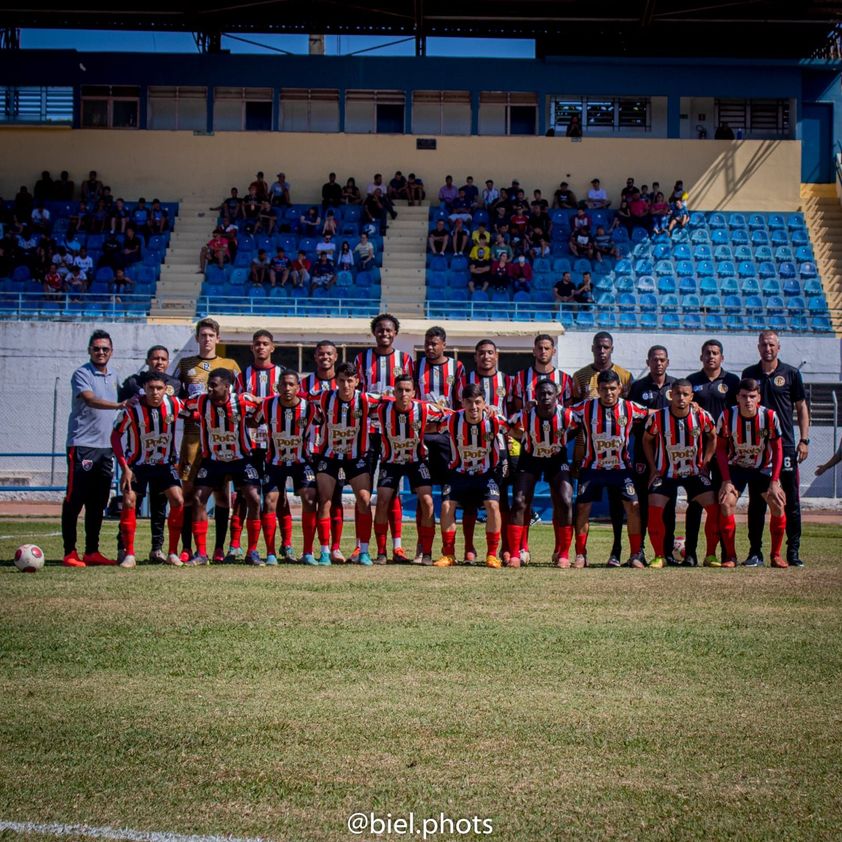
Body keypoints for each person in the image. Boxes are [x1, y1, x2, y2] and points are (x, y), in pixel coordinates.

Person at [741, 330, 810, 567]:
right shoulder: (749, 374)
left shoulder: (791, 373)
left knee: (789, 500)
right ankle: (755, 552)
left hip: (786, 446)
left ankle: (792, 552)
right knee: (757, 502)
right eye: (763, 345)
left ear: (778, 347)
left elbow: (801, 407)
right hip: (756, 448)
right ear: (758, 347)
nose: (767, 348)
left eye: (771, 345)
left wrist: (804, 439)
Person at [176, 319, 241, 563]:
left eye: (211, 335)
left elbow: (240, 397)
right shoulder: (185, 365)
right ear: (197, 338)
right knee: (189, 492)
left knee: (222, 493)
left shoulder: (230, 365)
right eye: (202, 335)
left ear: (218, 338)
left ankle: (219, 548)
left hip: (221, 436)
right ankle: (186, 547)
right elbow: (175, 396)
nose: (207, 339)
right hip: (193, 436)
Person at [571, 370, 649, 568]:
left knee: (633, 506)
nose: (609, 393)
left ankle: (635, 555)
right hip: (592, 468)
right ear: (598, 389)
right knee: (582, 508)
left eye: (613, 389)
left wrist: (689, 408)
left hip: (621, 469)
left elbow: (655, 413)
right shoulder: (586, 408)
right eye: (604, 389)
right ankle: (581, 555)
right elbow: (562, 413)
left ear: (620, 389)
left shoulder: (630, 408)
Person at [62, 330, 126, 567]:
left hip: (105, 448)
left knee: (98, 502)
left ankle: (92, 551)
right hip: (82, 446)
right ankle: (70, 552)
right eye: (96, 348)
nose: (101, 352)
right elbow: (89, 399)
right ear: (89, 350)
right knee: (74, 499)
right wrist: (119, 404)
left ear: (111, 351)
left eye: (105, 349)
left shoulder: (113, 376)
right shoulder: (82, 373)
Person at [186, 369, 262, 566]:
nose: (209, 388)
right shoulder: (201, 401)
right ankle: (201, 553)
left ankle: (252, 551)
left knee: (253, 498)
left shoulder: (242, 401)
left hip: (241, 459)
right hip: (213, 460)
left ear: (227, 387)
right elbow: (179, 408)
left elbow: (264, 406)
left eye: (214, 385)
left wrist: (255, 415)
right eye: (208, 385)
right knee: (197, 498)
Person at [112, 370, 187, 568]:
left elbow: (197, 414)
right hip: (138, 465)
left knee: (178, 499)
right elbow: (114, 436)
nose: (155, 392)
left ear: (165, 389)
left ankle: (171, 552)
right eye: (151, 388)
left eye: (159, 388)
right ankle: (129, 553)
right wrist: (124, 467)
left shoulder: (175, 404)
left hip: (164, 465)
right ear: (144, 388)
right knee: (129, 501)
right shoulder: (131, 409)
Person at [354, 314, 414, 562]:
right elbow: (356, 392)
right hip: (368, 431)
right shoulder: (361, 359)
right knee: (364, 492)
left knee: (392, 489)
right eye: (380, 330)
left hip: (395, 433)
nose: (384, 334)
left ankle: (397, 546)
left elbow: (409, 395)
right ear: (374, 332)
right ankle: (361, 545)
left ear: (395, 333)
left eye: (389, 330)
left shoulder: (406, 360)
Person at [642, 380, 720, 569]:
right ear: (671, 395)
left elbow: (713, 437)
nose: (681, 398)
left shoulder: (702, 416)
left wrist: (706, 462)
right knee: (654, 509)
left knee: (714, 508)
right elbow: (647, 440)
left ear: (692, 397)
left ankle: (709, 554)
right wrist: (653, 468)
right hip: (666, 473)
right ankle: (660, 556)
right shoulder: (659, 418)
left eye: (685, 394)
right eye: (677, 394)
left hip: (694, 473)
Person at [572, 332, 633, 567]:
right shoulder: (580, 376)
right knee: (583, 504)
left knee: (619, 505)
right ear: (592, 348)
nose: (602, 351)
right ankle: (580, 552)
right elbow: (573, 410)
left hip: (617, 451)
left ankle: (617, 551)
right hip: (587, 450)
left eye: (606, 347)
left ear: (612, 348)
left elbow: (629, 410)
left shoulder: (626, 375)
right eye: (598, 347)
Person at [314, 362, 382, 566]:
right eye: (342, 381)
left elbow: (395, 400)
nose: (345, 385)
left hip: (356, 456)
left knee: (363, 498)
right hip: (329, 456)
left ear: (357, 382)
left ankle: (364, 551)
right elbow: (296, 396)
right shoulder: (323, 397)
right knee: (325, 499)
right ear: (336, 381)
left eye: (350, 381)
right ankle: (325, 551)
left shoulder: (367, 399)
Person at [373, 376, 446, 565]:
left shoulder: (425, 408)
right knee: (382, 500)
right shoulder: (382, 409)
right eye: (400, 390)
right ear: (394, 392)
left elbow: (450, 416)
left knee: (427, 502)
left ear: (414, 393)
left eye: (407, 390)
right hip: (391, 461)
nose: (403, 394)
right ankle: (381, 552)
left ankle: (427, 553)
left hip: (417, 460)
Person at [227, 330, 285, 564]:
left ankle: (285, 545)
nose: (261, 347)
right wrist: (258, 402)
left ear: (273, 348)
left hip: (275, 444)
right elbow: (238, 403)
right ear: (252, 348)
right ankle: (235, 546)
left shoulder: (281, 374)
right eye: (257, 344)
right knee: (244, 494)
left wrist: (259, 402)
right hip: (249, 443)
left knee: (276, 496)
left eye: (265, 344)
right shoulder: (243, 376)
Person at [434, 384, 508, 568]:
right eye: (469, 402)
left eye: (477, 402)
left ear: (484, 403)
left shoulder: (495, 420)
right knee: (446, 505)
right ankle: (449, 554)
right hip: (459, 473)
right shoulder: (451, 420)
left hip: (486, 473)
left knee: (492, 505)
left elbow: (516, 430)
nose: (473, 407)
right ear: (462, 403)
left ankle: (492, 555)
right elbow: (429, 424)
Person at [717, 379, 788, 568]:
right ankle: (731, 556)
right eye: (744, 396)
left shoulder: (770, 416)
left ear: (759, 398)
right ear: (737, 398)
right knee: (725, 503)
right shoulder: (726, 416)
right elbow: (720, 450)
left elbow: (778, 450)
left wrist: (774, 481)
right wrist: (726, 480)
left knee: (778, 504)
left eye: (752, 396)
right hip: (736, 468)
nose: (748, 400)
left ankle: (776, 555)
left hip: (762, 468)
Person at [455, 340, 511, 565]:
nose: (486, 356)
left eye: (490, 353)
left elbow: (514, 408)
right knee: (469, 500)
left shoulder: (508, 380)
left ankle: (504, 550)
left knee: (501, 499)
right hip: (469, 445)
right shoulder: (463, 381)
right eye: (481, 353)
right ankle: (469, 549)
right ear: (475, 357)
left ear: (496, 355)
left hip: (500, 445)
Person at [684, 339, 740, 565]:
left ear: (722, 358)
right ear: (701, 357)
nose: (711, 356)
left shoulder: (732, 381)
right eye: (707, 353)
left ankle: (722, 552)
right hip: (699, 453)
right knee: (696, 503)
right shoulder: (692, 382)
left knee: (722, 503)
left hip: (726, 453)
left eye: (715, 353)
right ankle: (690, 552)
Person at [509, 380, 576, 567]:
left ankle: (562, 553)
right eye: (542, 394)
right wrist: (524, 438)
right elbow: (508, 426)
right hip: (530, 458)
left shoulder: (568, 415)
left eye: (549, 394)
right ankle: (518, 552)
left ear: (557, 396)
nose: (546, 397)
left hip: (556, 459)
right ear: (535, 396)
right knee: (520, 501)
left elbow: (580, 428)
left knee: (564, 499)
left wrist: (561, 441)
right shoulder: (525, 415)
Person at [257, 369, 320, 564]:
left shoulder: (309, 408)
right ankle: (270, 554)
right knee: (270, 501)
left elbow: (324, 423)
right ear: (277, 387)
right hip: (275, 462)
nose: (287, 388)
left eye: (291, 384)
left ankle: (308, 553)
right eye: (283, 384)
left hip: (301, 462)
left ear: (298, 387)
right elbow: (252, 422)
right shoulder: (267, 406)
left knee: (310, 499)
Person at [629, 345, 677, 561]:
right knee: (643, 505)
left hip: (670, 455)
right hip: (643, 453)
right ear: (647, 362)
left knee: (668, 507)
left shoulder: (676, 387)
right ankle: (640, 552)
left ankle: (666, 552)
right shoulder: (638, 387)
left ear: (668, 362)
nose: (658, 363)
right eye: (654, 359)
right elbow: (631, 417)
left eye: (662, 360)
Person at [300, 340, 345, 562]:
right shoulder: (305, 384)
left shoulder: (344, 385)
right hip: (310, 450)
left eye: (329, 354)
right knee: (311, 498)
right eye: (321, 354)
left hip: (336, 450)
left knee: (335, 498)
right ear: (315, 357)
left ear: (335, 357)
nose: (325, 357)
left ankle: (334, 548)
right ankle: (308, 550)